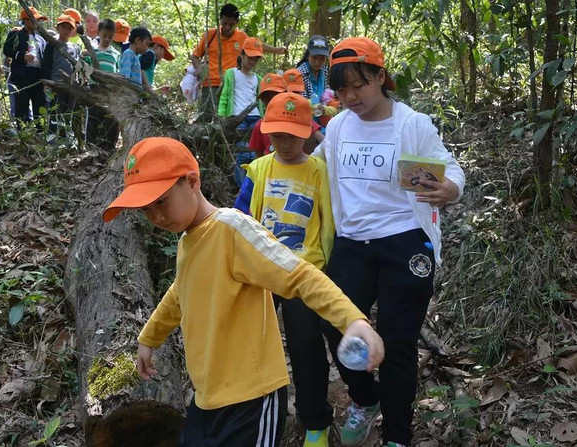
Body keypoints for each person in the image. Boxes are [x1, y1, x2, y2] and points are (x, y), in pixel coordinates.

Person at [102, 136, 385, 447]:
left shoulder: (233, 230)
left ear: (192, 181)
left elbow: (300, 274)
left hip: (252, 398)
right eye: (146, 210)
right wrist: (150, 337)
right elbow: (179, 291)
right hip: (207, 397)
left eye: (161, 201)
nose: (156, 217)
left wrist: (353, 321)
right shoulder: (188, 240)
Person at [314, 37, 465, 447]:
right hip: (352, 242)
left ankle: (398, 434)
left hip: (405, 240)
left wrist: (449, 188)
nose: (350, 97)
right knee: (337, 324)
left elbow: (449, 168)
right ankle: (365, 398)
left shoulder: (409, 124)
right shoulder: (339, 126)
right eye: (342, 89)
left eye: (359, 85)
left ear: (381, 77)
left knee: (398, 343)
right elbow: (318, 170)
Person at [234, 92, 335, 447]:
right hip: (262, 271)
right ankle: (253, 417)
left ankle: (315, 422)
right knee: (252, 345)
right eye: (277, 135)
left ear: (308, 132)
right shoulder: (259, 169)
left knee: (306, 346)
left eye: (293, 135)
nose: (285, 142)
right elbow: (241, 218)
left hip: (303, 273)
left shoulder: (320, 172)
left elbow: (331, 222)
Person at [190, 3, 286, 119]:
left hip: (231, 85)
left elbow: (258, 46)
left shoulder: (241, 37)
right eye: (224, 23)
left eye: (231, 24)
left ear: (237, 23)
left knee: (228, 118)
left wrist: (276, 50)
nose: (227, 27)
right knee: (208, 118)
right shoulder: (210, 35)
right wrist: (199, 68)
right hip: (210, 84)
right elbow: (195, 56)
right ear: (219, 20)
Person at [217, 37, 264, 186]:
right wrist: (221, 116)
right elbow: (225, 95)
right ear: (242, 55)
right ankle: (241, 186)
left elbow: (260, 100)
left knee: (254, 152)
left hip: (255, 117)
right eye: (250, 58)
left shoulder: (258, 78)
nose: (252, 62)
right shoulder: (231, 74)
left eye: (256, 59)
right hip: (237, 116)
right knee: (240, 152)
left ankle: (253, 186)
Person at [3, 6, 48, 126]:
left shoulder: (41, 38)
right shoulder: (16, 34)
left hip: (38, 77)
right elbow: (7, 50)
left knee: (40, 105)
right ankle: (23, 133)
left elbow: (45, 57)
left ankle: (40, 132)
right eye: (34, 20)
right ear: (26, 20)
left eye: (38, 20)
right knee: (21, 106)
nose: (37, 23)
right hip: (21, 75)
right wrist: (22, 56)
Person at [41, 14, 81, 133]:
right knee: (54, 112)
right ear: (58, 28)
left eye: (69, 28)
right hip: (54, 84)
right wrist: (46, 83)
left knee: (67, 113)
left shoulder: (75, 47)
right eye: (63, 27)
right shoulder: (52, 45)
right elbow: (46, 64)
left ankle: (65, 138)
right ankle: (52, 138)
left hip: (70, 86)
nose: (66, 30)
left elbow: (77, 67)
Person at [85, 18, 120, 150]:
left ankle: (109, 146)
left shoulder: (115, 54)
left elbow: (118, 73)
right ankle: (91, 145)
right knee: (93, 116)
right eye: (104, 36)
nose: (107, 39)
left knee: (110, 117)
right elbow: (84, 71)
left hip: (110, 91)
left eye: (110, 37)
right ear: (99, 33)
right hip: (94, 89)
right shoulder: (92, 53)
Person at [248, 73, 287, 157]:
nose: (271, 101)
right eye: (266, 98)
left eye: (275, 96)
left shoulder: (296, 120)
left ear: (285, 94)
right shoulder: (260, 126)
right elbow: (258, 156)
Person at [296, 35, 330, 104]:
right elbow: (302, 100)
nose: (317, 62)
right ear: (308, 55)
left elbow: (325, 91)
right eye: (314, 58)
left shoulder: (324, 70)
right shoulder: (300, 73)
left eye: (322, 58)